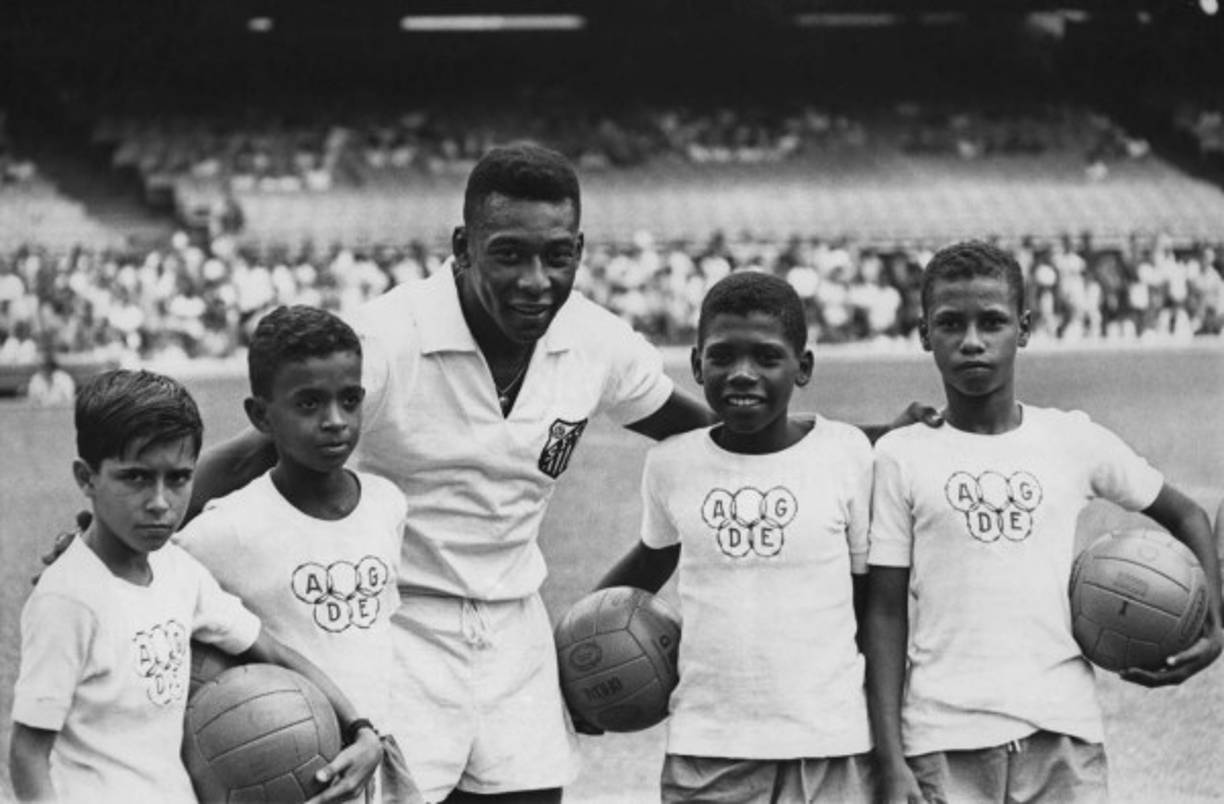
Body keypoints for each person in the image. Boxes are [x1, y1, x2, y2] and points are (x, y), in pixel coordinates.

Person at [179, 143, 931, 803]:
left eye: (557, 255)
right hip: (394, 626)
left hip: (514, 625)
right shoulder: (388, 339)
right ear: (463, 247)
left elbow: (716, 431)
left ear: (579, 248)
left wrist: (865, 440)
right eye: (509, 253)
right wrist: (111, 539)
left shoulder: (594, 341)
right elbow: (257, 449)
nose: (536, 280)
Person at [863, 241, 1223, 804]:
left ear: (1024, 328)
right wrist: (889, 760)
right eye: (951, 324)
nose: (973, 341)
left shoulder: (1070, 438)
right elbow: (883, 612)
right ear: (924, 333)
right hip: (940, 740)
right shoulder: (901, 456)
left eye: (993, 322)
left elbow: (1186, 514)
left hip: (1063, 735)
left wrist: (1213, 625)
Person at [10, 369, 383, 804]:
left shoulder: (178, 572)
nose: (160, 502)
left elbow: (270, 650)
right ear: (86, 478)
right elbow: (28, 752)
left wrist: (360, 729)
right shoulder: (68, 599)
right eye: (135, 478)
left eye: (179, 478)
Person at [597, 271, 875, 802]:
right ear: (698, 363)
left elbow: (872, 602)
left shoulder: (847, 455)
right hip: (708, 746)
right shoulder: (671, 463)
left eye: (767, 357)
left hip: (829, 743)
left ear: (804, 367)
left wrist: (884, 735)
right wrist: (568, 659)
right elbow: (647, 568)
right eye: (723, 357)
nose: (743, 374)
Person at [172, 306, 424, 804]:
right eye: (309, 404)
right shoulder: (226, 527)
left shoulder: (386, 503)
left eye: (349, 400)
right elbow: (154, 592)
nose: (335, 421)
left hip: (379, 752)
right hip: (290, 768)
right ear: (261, 416)